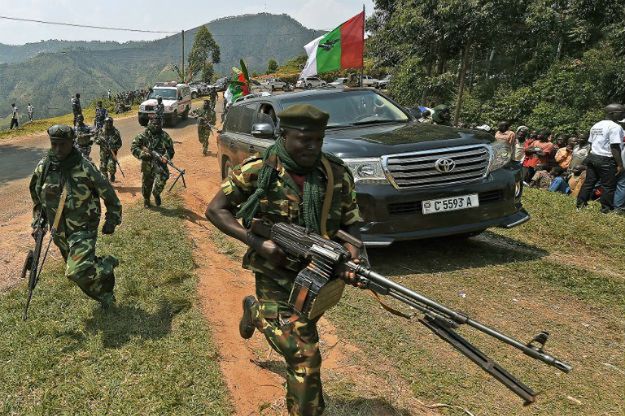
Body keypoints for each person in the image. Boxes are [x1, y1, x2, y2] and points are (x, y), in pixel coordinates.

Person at [205, 104, 363, 416]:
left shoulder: (334, 174)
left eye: (319, 140)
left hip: (317, 277)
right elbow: (216, 209)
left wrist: (356, 255)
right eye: (304, 139)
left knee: (301, 335)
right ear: (284, 134)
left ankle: (256, 313)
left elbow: (352, 221)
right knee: (304, 354)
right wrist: (256, 242)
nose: (313, 147)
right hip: (273, 274)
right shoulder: (260, 170)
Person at [29, 124, 122, 308]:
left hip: (83, 227)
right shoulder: (44, 167)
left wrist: (112, 217)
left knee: (76, 270)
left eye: (62, 144)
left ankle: (107, 264)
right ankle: (105, 296)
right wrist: (39, 221)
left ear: (71, 143)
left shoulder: (84, 166)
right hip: (60, 231)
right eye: (54, 144)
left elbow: (108, 193)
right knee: (81, 273)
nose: (57, 149)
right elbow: (37, 196)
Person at [576, 104, 625, 212]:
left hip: (593, 157)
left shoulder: (596, 125)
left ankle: (580, 205)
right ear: (613, 113)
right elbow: (614, 147)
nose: (623, 114)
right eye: (621, 112)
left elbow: (591, 143)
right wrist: (620, 165)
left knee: (589, 183)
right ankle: (606, 210)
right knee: (608, 186)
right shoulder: (615, 127)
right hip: (606, 159)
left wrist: (589, 158)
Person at [130, 118, 174, 208]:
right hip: (147, 164)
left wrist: (166, 156)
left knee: (163, 178)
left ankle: (156, 194)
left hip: (160, 163)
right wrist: (143, 154)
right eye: (154, 124)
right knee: (147, 184)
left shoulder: (165, 136)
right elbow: (134, 147)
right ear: (150, 124)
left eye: (158, 124)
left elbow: (170, 150)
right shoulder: (143, 136)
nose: (156, 126)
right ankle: (146, 200)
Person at [95, 117, 122, 182]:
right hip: (103, 153)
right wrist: (99, 141)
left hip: (112, 153)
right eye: (107, 123)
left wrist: (114, 147)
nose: (109, 124)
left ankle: (112, 175)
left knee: (111, 166)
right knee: (103, 168)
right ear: (105, 123)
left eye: (110, 123)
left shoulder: (115, 132)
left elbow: (120, 143)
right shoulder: (101, 131)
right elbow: (95, 139)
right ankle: (106, 181)